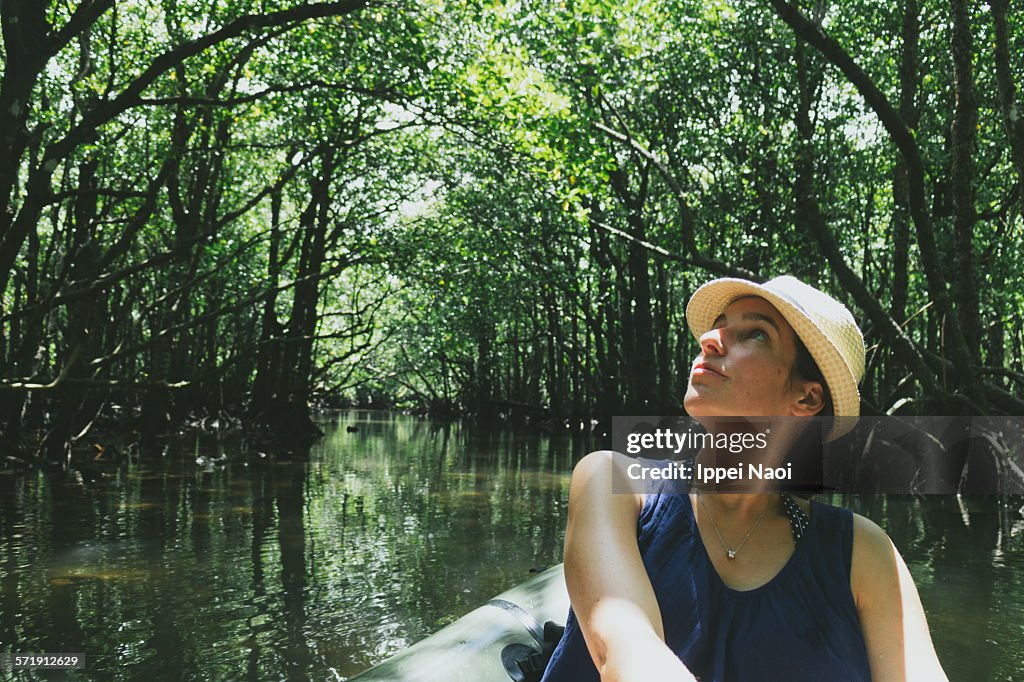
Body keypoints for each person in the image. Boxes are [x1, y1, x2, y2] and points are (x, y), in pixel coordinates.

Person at [540, 275, 948, 682]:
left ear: (806, 399)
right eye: (718, 324)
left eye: (755, 334)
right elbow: (627, 655)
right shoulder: (614, 482)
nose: (710, 340)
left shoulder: (865, 552)